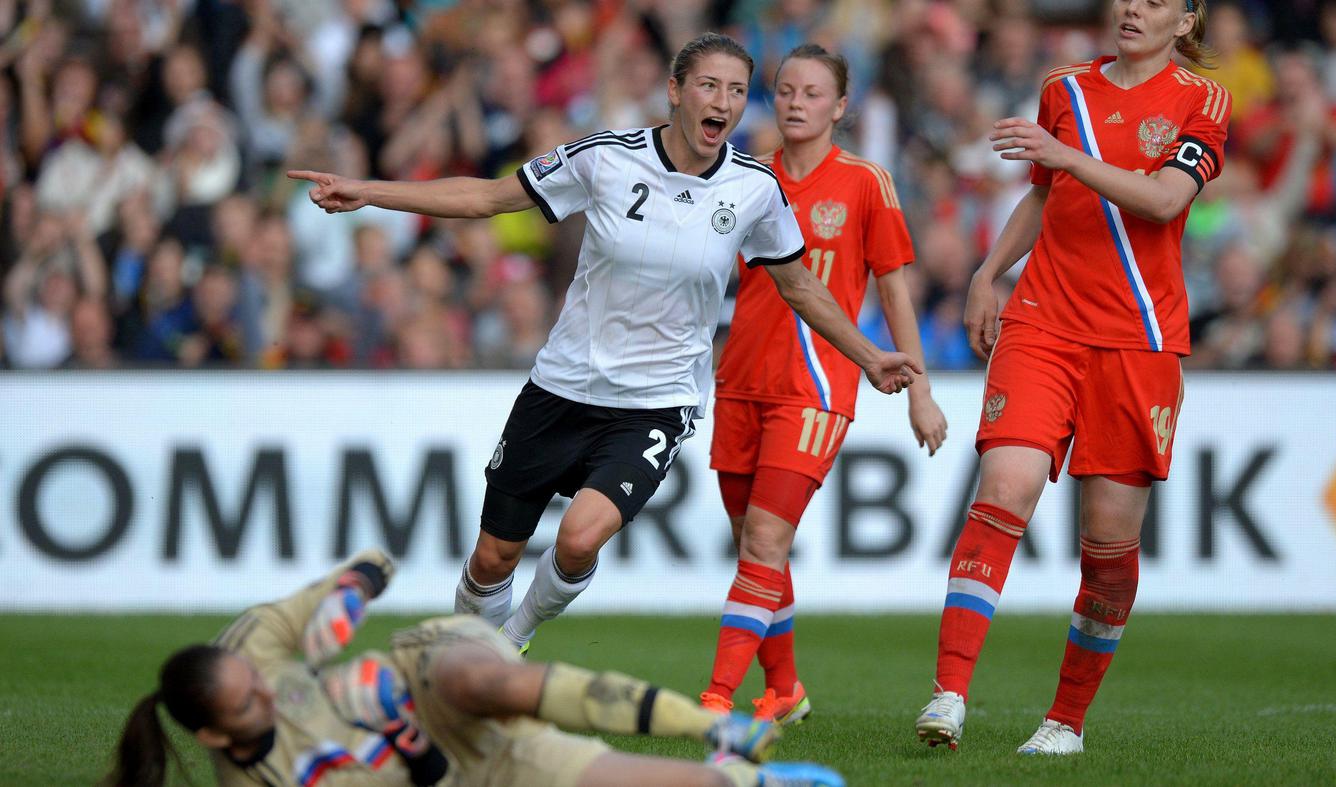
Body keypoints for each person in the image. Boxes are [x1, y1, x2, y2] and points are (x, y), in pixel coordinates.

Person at [288, 33, 922, 654]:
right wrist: (368, 193)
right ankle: (467, 643)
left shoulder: (755, 189)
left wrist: (869, 358)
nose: (723, 102)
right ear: (675, 91)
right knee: (492, 557)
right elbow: (484, 197)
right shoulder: (605, 158)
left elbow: (801, 287)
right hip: (561, 386)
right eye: (709, 85)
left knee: (578, 539)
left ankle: (513, 638)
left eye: (736, 90)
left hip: (654, 403)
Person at [913, 0, 1231, 755]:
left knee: (1109, 546)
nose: (1132, 8)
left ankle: (1065, 722)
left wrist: (1068, 160)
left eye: (1155, 1)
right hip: (1043, 323)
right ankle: (949, 692)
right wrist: (990, 273)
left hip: (1138, 340)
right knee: (1004, 488)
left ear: (1185, 22)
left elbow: (1163, 200)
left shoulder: (1203, 100)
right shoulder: (1067, 88)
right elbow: (1044, 193)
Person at [106, 549, 847, 787]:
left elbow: (374, 560)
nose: (266, 692)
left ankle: (713, 721)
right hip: (444, 762)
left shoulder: (251, 648)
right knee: (616, 776)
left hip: (424, 666)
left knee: (488, 680)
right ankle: (747, 775)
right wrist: (399, 730)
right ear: (211, 735)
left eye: (256, 680)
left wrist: (349, 592)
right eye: (246, 705)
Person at [699, 44, 948, 725]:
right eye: (784, 91)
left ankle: (717, 696)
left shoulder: (866, 182)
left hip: (815, 387)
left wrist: (919, 389)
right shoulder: (742, 176)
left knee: (763, 544)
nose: (795, 103)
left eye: (812, 93)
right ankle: (784, 690)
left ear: (840, 107)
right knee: (756, 545)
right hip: (741, 379)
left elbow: (894, 287)